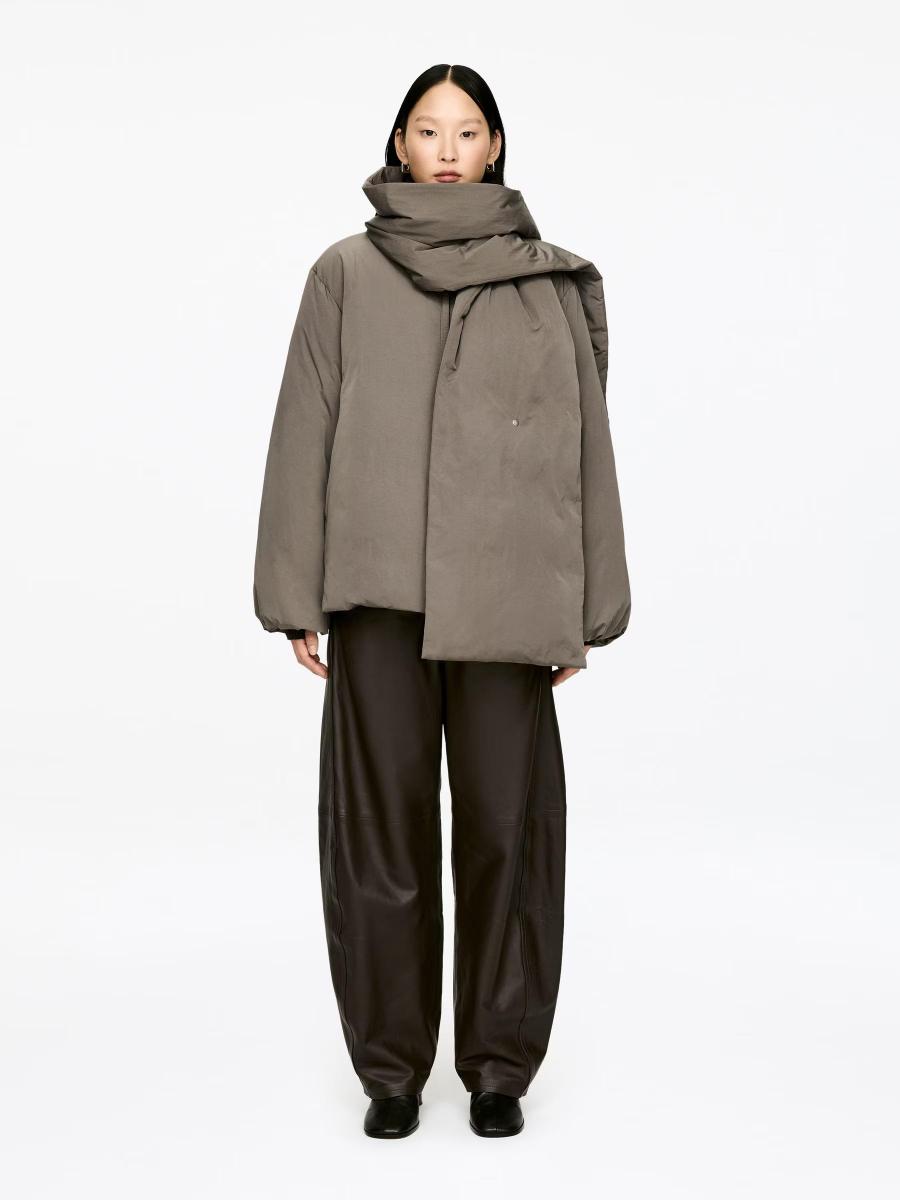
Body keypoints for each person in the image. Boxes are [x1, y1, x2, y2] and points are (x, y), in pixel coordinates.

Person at [253, 63, 631, 1139]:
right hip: (378, 590)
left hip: (508, 591)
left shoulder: (544, 281)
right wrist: (293, 592)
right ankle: (390, 1071)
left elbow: (583, 447)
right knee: (381, 836)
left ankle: (499, 1065)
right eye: (430, 130)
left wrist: (586, 602)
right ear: (400, 143)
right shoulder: (344, 272)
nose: (450, 150)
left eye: (469, 132)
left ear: (496, 146)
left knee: (510, 832)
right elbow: (305, 426)